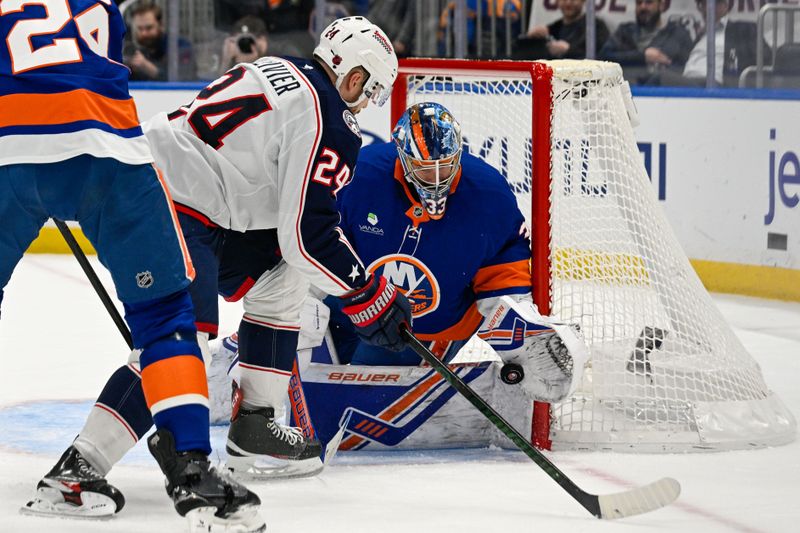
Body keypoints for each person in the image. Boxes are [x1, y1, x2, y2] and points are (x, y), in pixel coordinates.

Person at [29, 15, 408, 516]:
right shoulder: (331, 120)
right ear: (354, 77)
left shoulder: (283, 69)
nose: (367, 103)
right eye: (370, 90)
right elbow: (308, 235)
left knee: (282, 274)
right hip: (168, 202)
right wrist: (365, 294)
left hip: (174, 192)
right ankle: (77, 470)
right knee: (176, 341)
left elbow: (284, 227)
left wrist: (355, 284)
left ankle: (255, 422)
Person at [0, 1, 263, 531]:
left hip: (8, 150)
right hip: (109, 152)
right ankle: (192, 468)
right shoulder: (101, 7)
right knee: (166, 318)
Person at [212, 103, 588, 437]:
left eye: (445, 167)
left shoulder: (489, 194)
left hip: (424, 331)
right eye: (425, 169)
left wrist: (519, 332)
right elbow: (314, 241)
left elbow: (502, 276)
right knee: (294, 314)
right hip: (349, 306)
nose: (437, 179)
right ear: (402, 159)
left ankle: (293, 399)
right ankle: (237, 384)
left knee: (353, 391)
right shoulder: (359, 177)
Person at [649, 0, 764, 87]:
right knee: (652, 76)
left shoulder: (742, 29)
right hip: (687, 83)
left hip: (714, 84)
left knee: (660, 77)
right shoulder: (699, 36)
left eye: (713, 3)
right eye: (702, 4)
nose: (707, 9)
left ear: (725, 5)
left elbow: (765, 56)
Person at [599, 0, 693, 83]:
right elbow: (604, 58)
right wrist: (643, 56)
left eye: (649, 2)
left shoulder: (678, 35)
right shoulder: (624, 32)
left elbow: (687, 71)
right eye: (639, 3)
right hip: (626, 93)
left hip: (664, 95)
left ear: (661, 5)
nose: (643, 7)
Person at [124, 0, 196, 81]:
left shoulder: (180, 47)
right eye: (140, 29)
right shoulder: (134, 51)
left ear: (161, 25)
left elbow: (185, 80)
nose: (144, 33)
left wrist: (147, 67)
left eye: (149, 28)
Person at [522, 0, 609, 60]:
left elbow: (603, 56)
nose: (568, 2)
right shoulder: (553, 29)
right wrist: (530, 39)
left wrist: (569, 50)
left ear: (583, 1)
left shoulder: (596, 27)